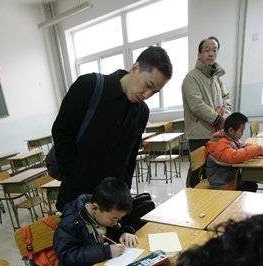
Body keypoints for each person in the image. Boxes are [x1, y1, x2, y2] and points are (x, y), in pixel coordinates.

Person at [51, 46, 173, 211]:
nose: (146, 95)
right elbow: (61, 132)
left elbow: (129, 160)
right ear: (134, 68)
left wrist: (124, 196)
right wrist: (73, 175)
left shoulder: (142, 112)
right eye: (148, 85)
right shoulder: (89, 86)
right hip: (77, 200)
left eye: (154, 92)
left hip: (112, 206)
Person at [54, 177, 138, 266]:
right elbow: (68, 256)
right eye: (114, 219)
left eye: (119, 219)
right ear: (95, 208)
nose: (116, 222)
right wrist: (106, 251)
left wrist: (123, 233)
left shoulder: (106, 212)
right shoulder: (71, 222)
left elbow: (114, 229)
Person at [182, 36, 232, 187]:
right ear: (199, 54)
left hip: (216, 134)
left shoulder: (217, 79)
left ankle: (208, 205)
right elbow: (196, 105)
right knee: (197, 174)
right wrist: (218, 120)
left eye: (214, 50)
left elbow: (226, 100)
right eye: (207, 50)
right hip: (199, 134)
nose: (211, 53)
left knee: (212, 174)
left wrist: (226, 119)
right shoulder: (191, 78)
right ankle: (190, 201)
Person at [205, 112, 263, 191]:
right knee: (250, 187)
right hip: (222, 184)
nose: (242, 134)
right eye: (241, 131)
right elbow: (234, 156)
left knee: (251, 184)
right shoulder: (218, 144)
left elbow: (242, 145)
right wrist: (258, 149)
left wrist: (259, 150)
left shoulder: (229, 138)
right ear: (231, 130)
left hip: (231, 178)